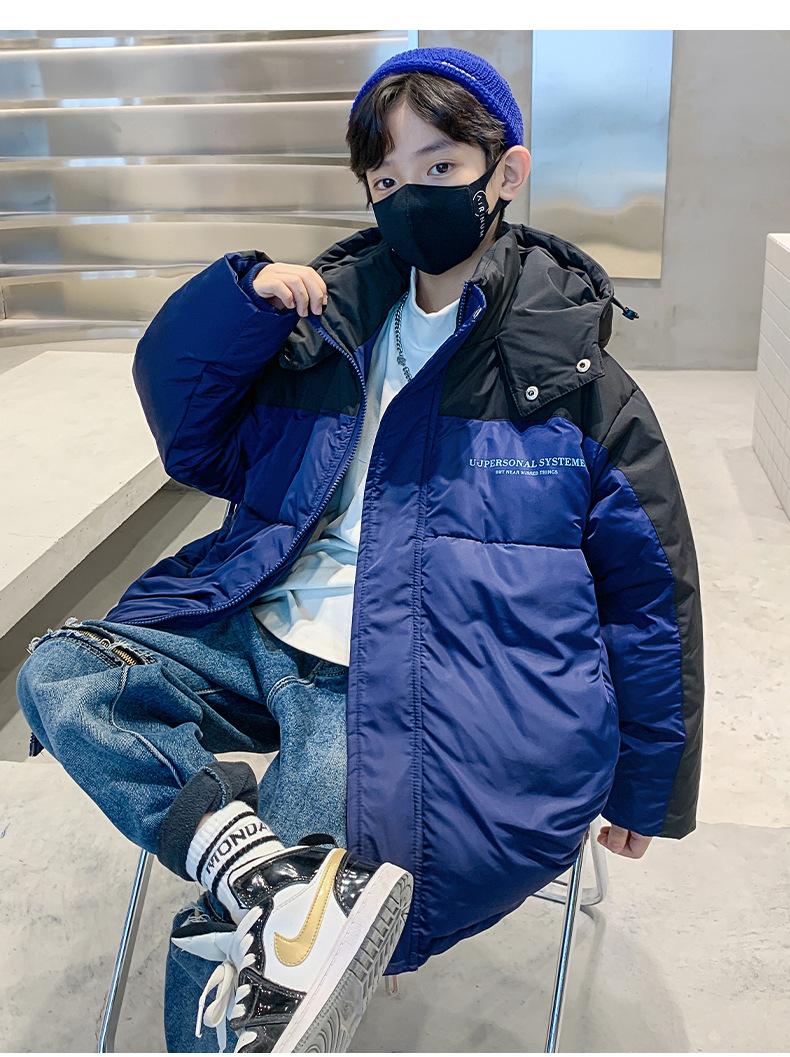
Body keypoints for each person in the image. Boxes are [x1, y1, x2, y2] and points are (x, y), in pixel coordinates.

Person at [15, 45, 705, 1054]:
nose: (409, 195)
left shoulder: (573, 383)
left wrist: (652, 782)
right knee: (64, 671)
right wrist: (241, 305)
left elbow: (651, 597)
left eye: (440, 167)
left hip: (391, 678)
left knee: (245, 948)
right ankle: (253, 868)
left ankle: (259, 907)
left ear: (505, 173)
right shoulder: (328, 328)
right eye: (385, 179)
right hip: (259, 627)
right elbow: (193, 437)